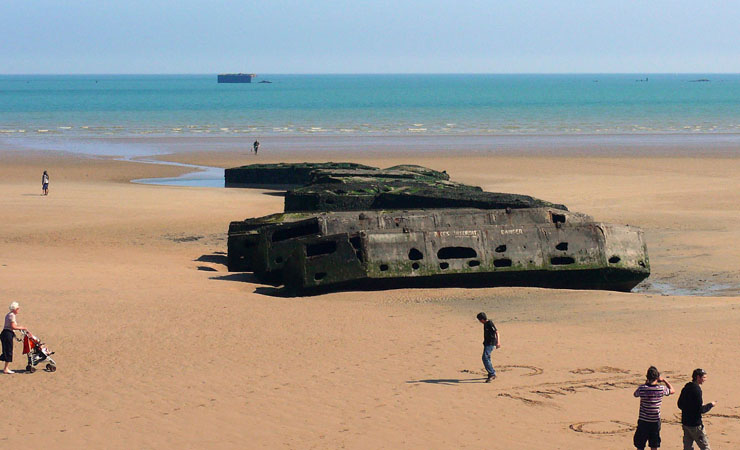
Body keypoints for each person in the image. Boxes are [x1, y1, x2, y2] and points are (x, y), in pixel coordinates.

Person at [633, 366, 674, 450]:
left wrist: (646, 383)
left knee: (640, 445)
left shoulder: (642, 388)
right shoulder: (661, 389)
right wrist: (664, 380)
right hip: (655, 420)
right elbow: (672, 390)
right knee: (654, 445)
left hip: (643, 420)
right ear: (657, 377)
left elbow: (635, 394)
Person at [678, 368, 716, 450]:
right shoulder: (696, 390)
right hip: (695, 424)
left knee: (688, 447)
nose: (705, 380)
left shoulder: (686, 387)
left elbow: (680, 404)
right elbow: (700, 410)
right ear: (698, 377)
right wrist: (711, 405)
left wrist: (688, 409)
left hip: (686, 422)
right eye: (704, 377)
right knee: (705, 447)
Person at [1, 302, 28, 374]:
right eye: (17, 308)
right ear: (14, 309)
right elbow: (13, 327)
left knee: (5, 351)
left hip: (5, 333)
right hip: (7, 334)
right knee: (8, 351)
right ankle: (6, 369)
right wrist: (22, 327)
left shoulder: (9, 314)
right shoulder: (12, 315)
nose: (18, 310)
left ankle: (6, 368)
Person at [476, 312, 500, 382]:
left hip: (491, 343)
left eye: (479, 320)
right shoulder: (485, 324)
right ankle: (491, 373)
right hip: (486, 343)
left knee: (485, 357)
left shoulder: (489, 323)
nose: (479, 321)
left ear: (482, 319)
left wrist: (498, 342)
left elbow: (497, 332)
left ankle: (492, 374)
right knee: (487, 358)